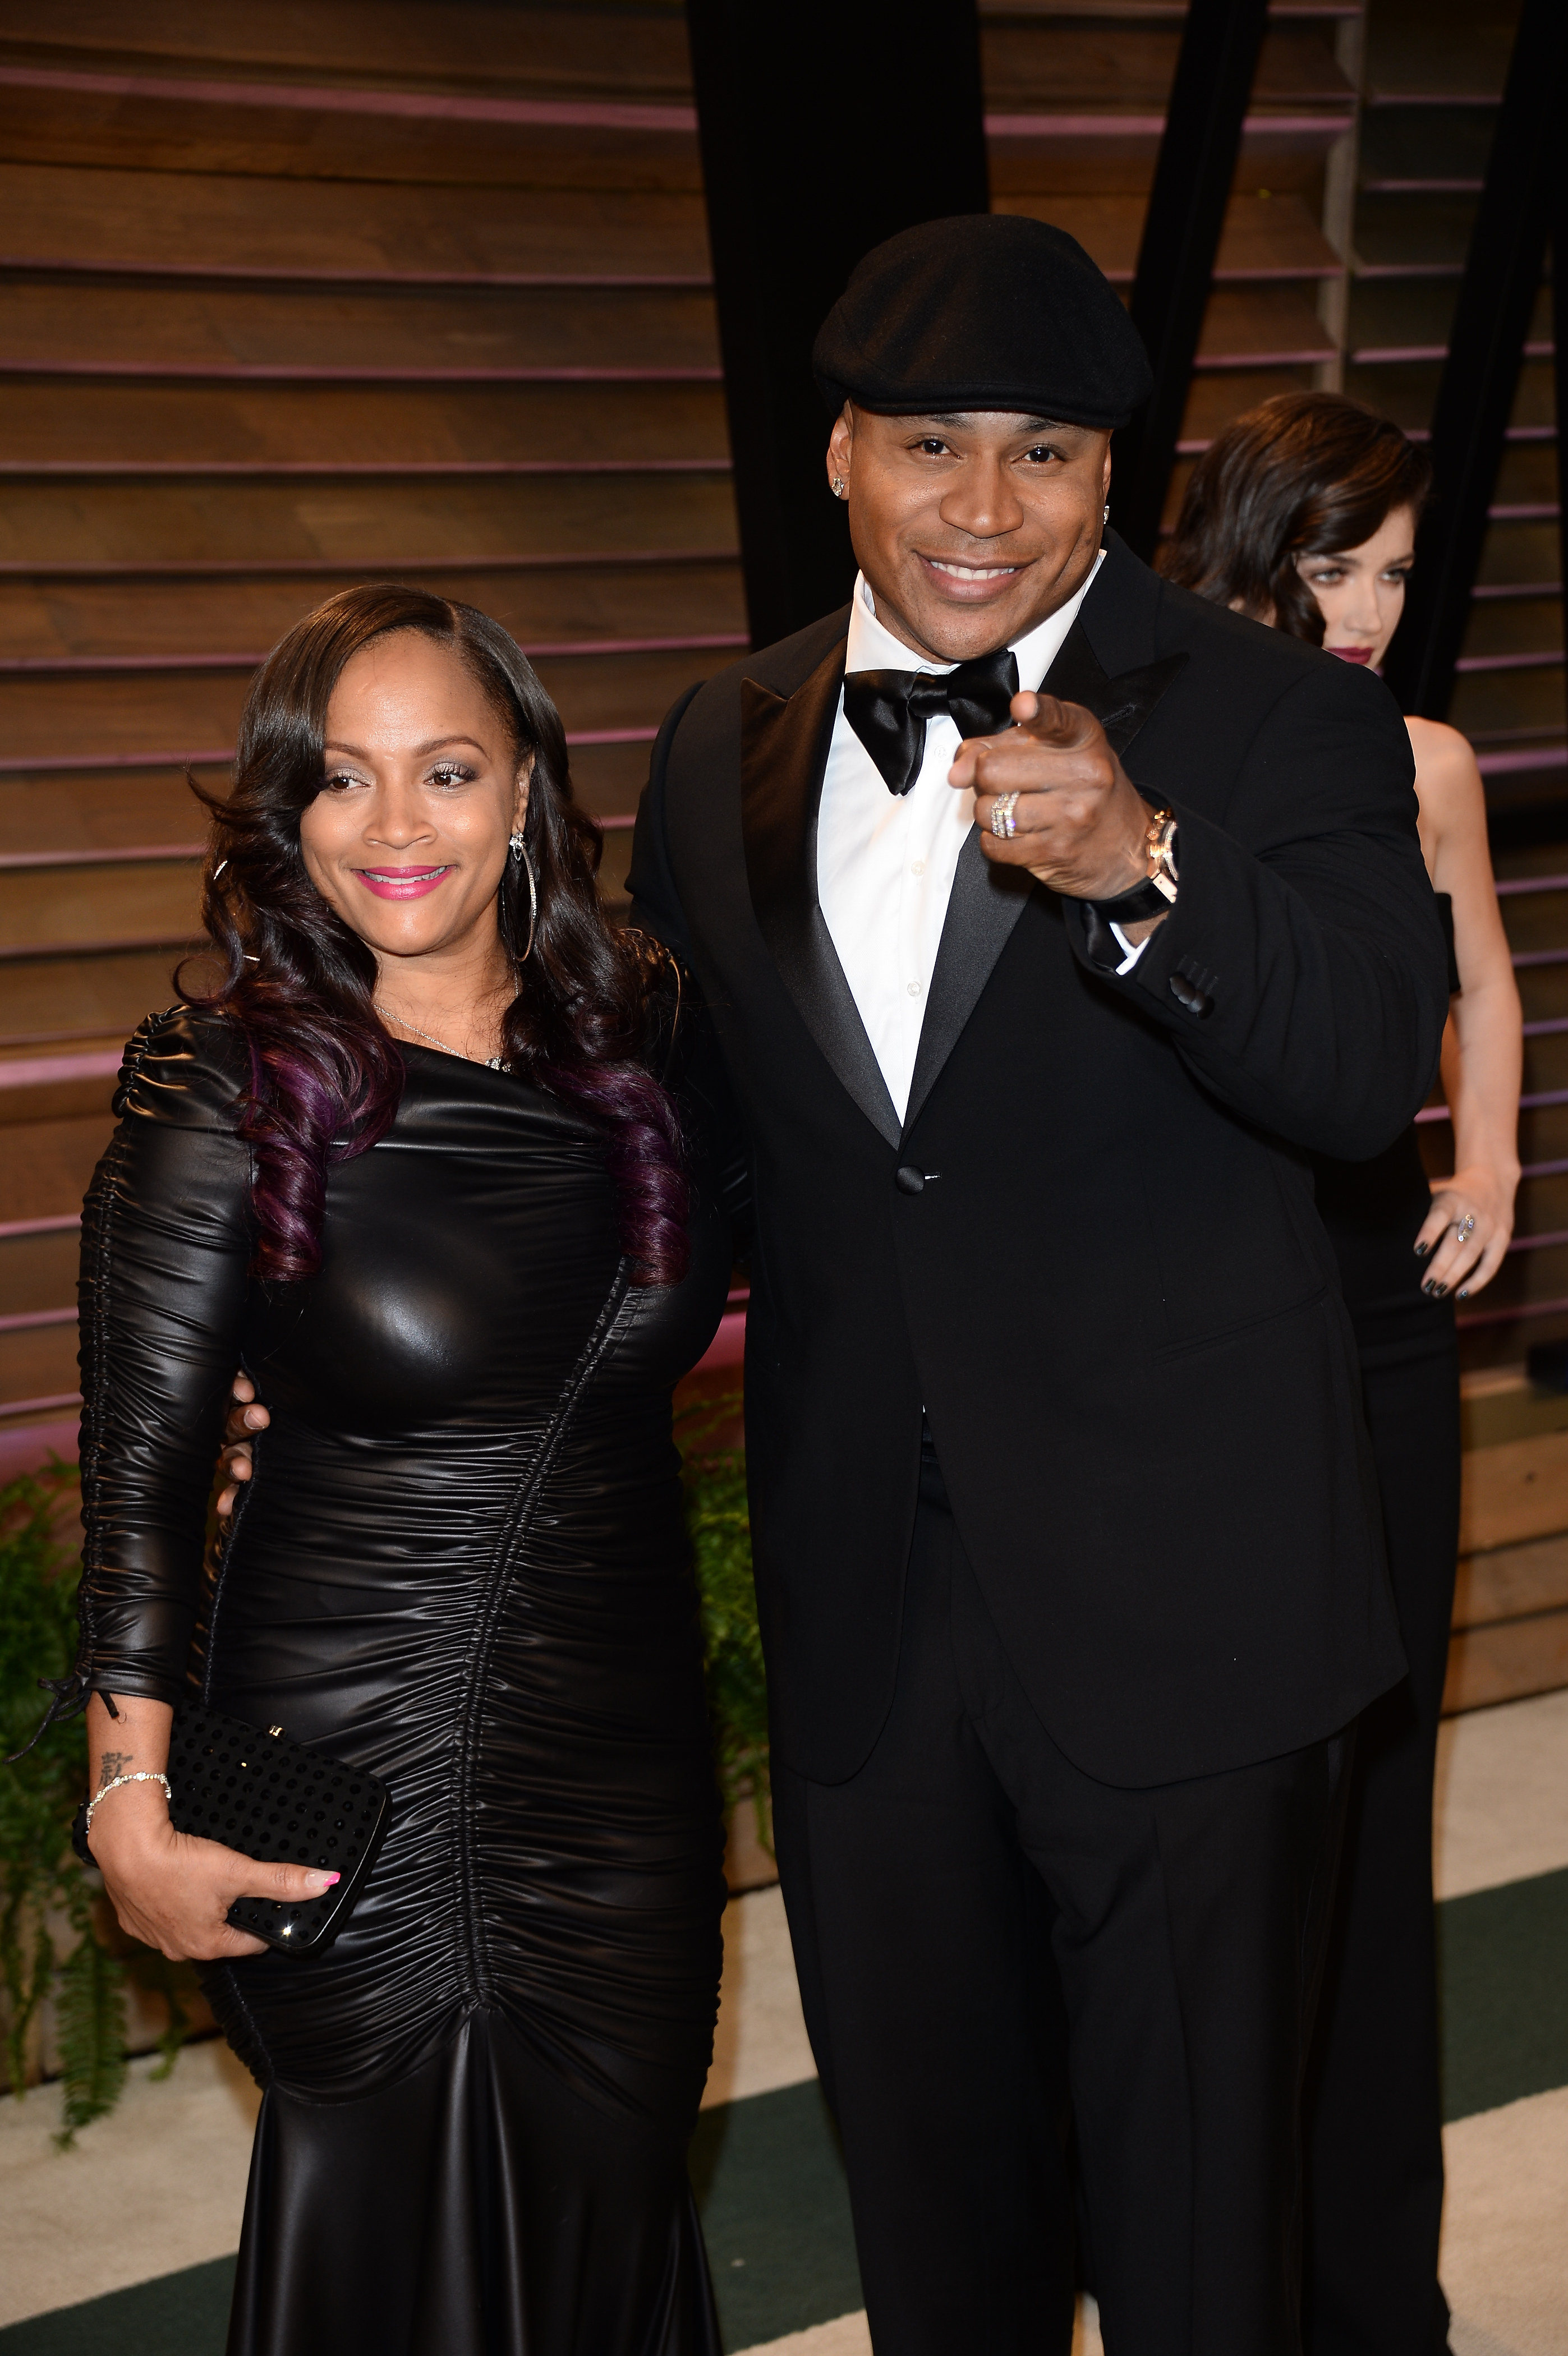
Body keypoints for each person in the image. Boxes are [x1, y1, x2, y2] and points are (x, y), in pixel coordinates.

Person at [624, 214, 1451, 2356]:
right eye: (928, 446)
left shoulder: (1282, 723)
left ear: (1111, 475)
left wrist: (1147, 875)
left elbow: (1364, 1078)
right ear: (837, 457)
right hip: (866, 1625)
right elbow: (700, 1156)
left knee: (1200, 2246)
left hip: (1191, 1613)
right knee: (934, 2231)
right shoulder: (717, 745)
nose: (982, 509)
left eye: (1044, 454)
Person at [55, 586, 732, 2356]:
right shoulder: (225, 1086)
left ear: (526, 794)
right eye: (340, 782)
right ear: (288, 815)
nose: (395, 826)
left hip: (627, 1758)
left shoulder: (640, 1035)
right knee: (411, 2229)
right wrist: (127, 1803)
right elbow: (141, 1474)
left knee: (608, 2198)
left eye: (444, 770)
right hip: (358, 1751)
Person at [1164, 391, 1523, 2356]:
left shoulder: (1421, 756)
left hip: (1369, 1297)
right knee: (1217, 1811)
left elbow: (1479, 978)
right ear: (1253, 546)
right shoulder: (1141, 753)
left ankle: (1373, 2301)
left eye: (1396, 571)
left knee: (1377, 1799)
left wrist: (1487, 1163)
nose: (1375, 607)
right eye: (1339, 564)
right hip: (1196, 1310)